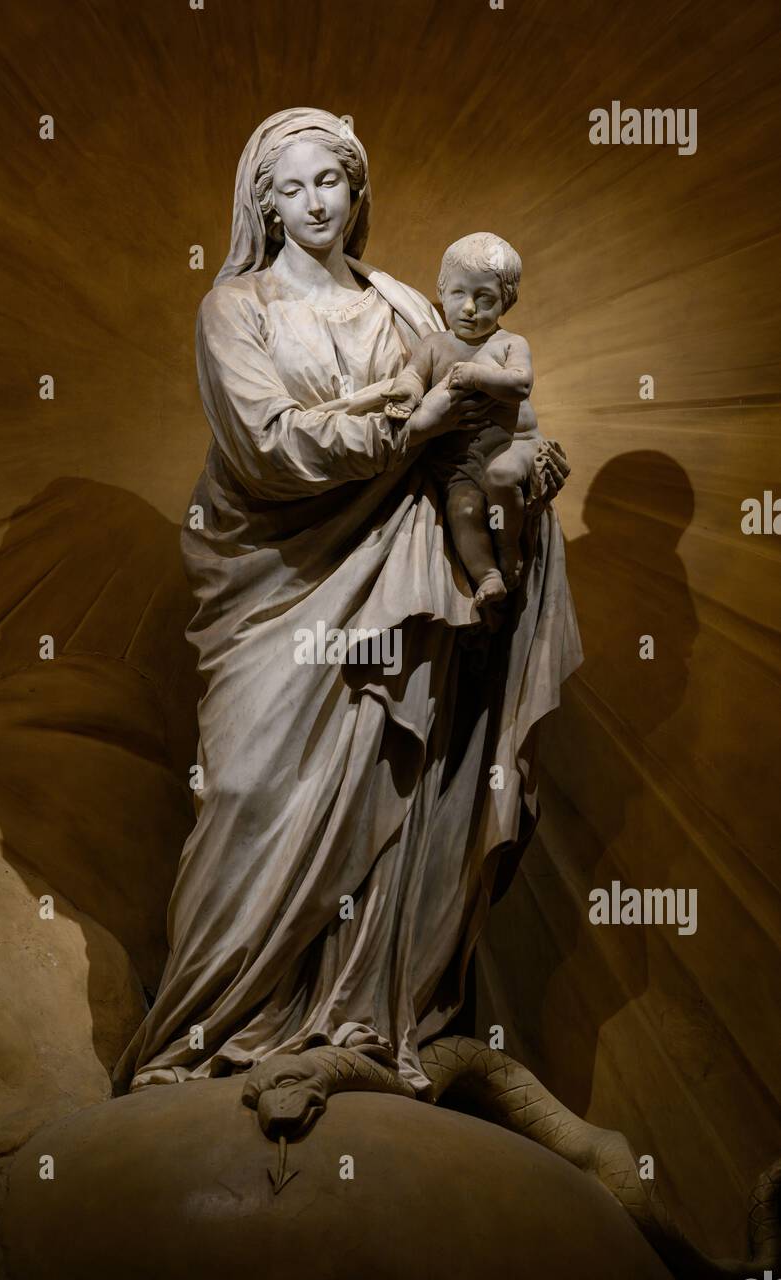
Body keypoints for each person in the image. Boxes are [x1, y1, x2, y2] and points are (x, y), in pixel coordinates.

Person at [112, 108, 580, 1100]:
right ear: (263, 203)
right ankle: (205, 1032)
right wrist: (411, 425)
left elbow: (476, 434)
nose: (314, 200)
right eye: (291, 186)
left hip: (402, 581)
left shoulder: (407, 308)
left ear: (355, 192)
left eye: (331, 180)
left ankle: (356, 1019)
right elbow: (267, 446)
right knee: (247, 792)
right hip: (277, 584)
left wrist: (518, 472)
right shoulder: (236, 309)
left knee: (393, 784)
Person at [385, 232, 543, 610]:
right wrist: (406, 393)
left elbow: (520, 383)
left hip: (512, 447)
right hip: (460, 467)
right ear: (442, 289)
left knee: (501, 478)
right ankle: (487, 575)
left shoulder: (509, 343)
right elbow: (412, 375)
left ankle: (508, 553)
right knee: (463, 511)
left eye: (484, 298)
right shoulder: (435, 345)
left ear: (507, 300)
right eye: (458, 294)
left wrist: (477, 376)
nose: (469, 308)